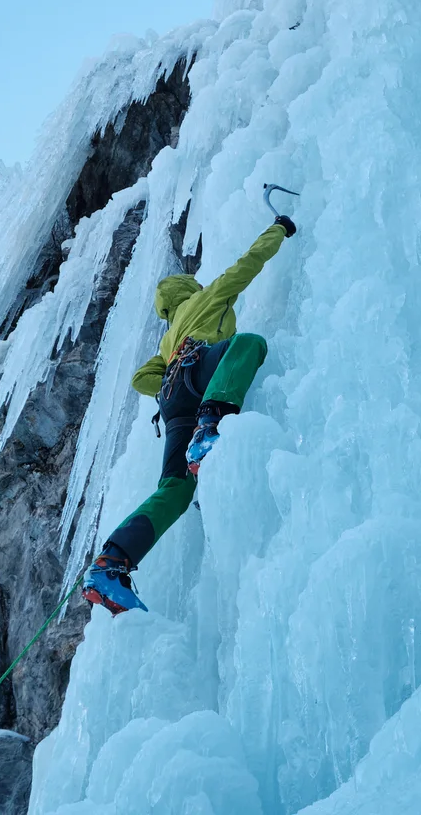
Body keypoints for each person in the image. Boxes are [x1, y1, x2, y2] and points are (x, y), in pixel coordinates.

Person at [81, 212, 297, 614]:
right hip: (201, 379)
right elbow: (248, 263)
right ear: (189, 288)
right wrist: (279, 228)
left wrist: (166, 378)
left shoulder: (167, 337)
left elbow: (141, 379)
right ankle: (211, 422)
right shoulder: (207, 296)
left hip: (172, 401)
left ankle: (111, 562)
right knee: (248, 343)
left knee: (175, 489)